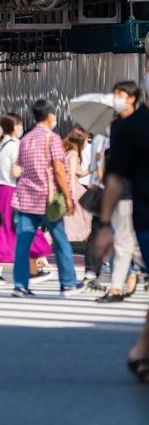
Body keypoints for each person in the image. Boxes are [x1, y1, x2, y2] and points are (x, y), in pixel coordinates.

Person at [92, 75, 149, 384]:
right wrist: (103, 226)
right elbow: (114, 179)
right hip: (143, 214)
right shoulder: (128, 128)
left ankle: (141, 352)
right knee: (127, 244)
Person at [11, 99, 83, 297]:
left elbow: (19, 168)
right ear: (50, 115)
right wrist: (68, 197)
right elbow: (59, 170)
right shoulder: (52, 138)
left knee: (23, 243)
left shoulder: (25, 139)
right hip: (47, 199)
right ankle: (68, 283)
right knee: (60, 241)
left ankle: (20, 285)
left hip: (26, 198)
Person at [95, 80, 147, 305]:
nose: (115, 98)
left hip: (135, 193)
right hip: (124, 194)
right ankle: (117, 287)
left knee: (126, 242)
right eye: (114, 93)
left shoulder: (137, 124)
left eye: (120, 94)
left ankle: (119, 286)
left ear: (132, 98)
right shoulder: (116, 126)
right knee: (126, 242)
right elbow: (115, 169)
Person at [0, 114, 51, 283]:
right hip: (11, 192)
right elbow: (15, 172)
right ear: (15, 127)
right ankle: (33, 271)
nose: (21, 128)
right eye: (19, 125)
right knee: (26, 227)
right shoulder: (15, 145)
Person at [61, 127, 93, 243]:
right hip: (74, 188)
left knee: (75, 218)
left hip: (71, 187)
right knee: (79, 217)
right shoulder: (74, 154)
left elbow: (77, 174)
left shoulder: (68, 152)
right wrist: (73, 196)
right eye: (85, 140)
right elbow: (71, 175)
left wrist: (92, 168)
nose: (86, 143)